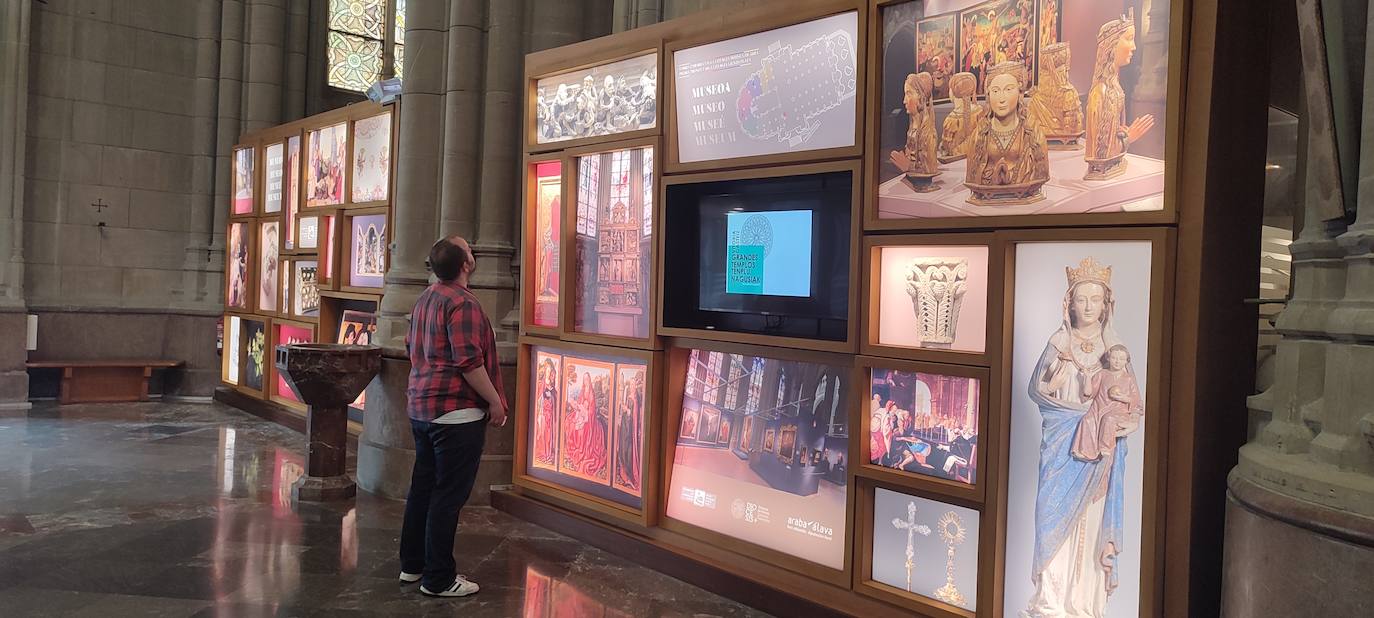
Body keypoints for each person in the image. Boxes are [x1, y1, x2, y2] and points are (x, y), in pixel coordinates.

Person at [399, 236, 508, 598]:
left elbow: (410, 349)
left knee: (422, 489)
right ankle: (440, 578)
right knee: (447, 496)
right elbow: (468, 363)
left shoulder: (424, 299)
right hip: (455, 414)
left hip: (421, 410)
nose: (474, 253)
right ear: (466, 264)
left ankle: (412, 566)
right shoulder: (463, 304)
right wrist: (494, 401)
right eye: (470, 251)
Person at [1072, 344, 1143, 461]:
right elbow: (1089, 393)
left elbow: (1136, 400)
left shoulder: (1128, 378)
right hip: (1099, 407)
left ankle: (1105, 447)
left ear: (1126, 361)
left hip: (1118, 410)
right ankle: (1084, 451)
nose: (1117, 361)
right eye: (1114, 358)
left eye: (1121, 359)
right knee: (1087, 420)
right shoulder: (1102, 374)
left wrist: (1123, 398)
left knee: (1109, 419)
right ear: (1109, 358)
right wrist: (1088, 378)